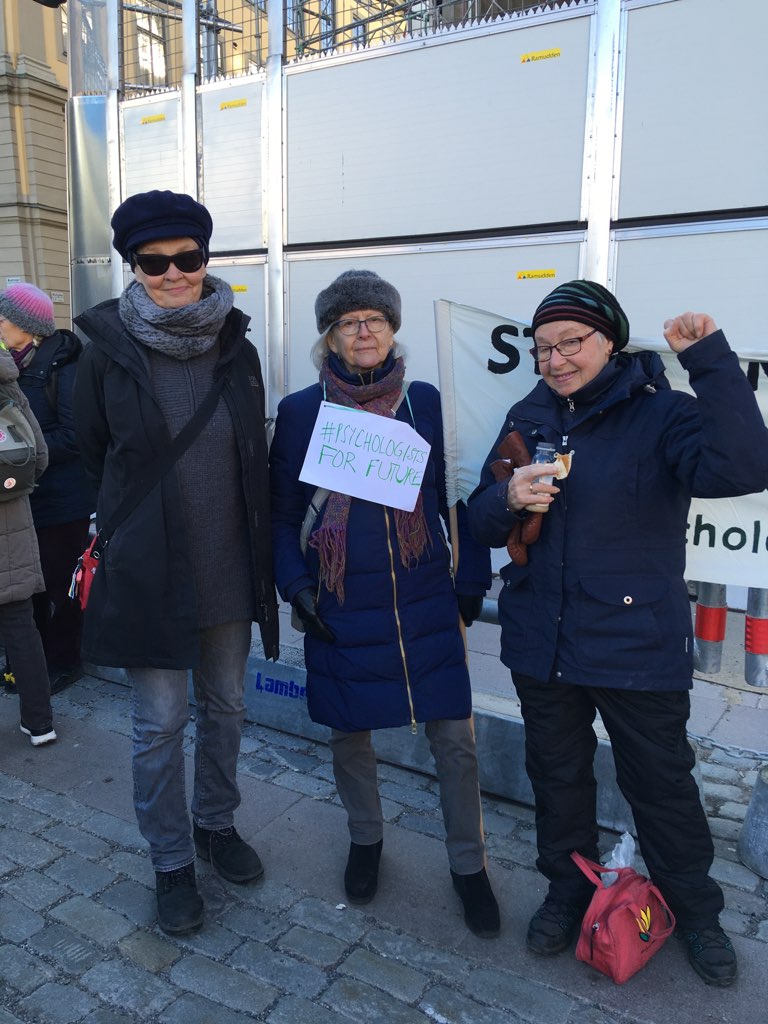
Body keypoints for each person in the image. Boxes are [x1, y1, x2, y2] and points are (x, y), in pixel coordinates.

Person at [468, 279, 768, 986]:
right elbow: (481, 518)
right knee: (558, 777)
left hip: (637, 645)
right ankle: (568, 889)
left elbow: (747, 465)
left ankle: (695, 912)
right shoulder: (528, 412)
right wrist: (505, 497)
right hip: (543, 639)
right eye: (543, 347)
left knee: (661, 786)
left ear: (611, 341)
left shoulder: (663, 414)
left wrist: (712, 363)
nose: (555, 359)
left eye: (571, 343)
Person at [73, 190, 280, 936]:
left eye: (186, 258)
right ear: (134, 266)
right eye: (154, 262)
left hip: (230, 566)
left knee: (225, 707)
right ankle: (169, 861)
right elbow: (95, 453)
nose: (172, 273)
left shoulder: (241, 348)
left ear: (205, 259)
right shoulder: (104, 355)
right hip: (153, 572)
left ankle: (215, 825)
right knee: (158, 724)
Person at [269, 269, 500, 938]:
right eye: (348, 322)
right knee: (350, 736)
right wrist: (296, 585)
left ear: (393, 330)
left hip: (426, 599)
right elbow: (282, 514)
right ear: (330, 338)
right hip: (342, 599)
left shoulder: (427, 401)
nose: (363, 331)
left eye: (375, 319)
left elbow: (463, 492)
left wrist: (470, 582)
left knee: (455, 740)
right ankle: (366, 840)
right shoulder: (304, 412)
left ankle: (469, 865)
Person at [0, 283, 94, 694]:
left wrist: (21, 455)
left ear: (26, 325)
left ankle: (65, 661)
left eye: (2, 318)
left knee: (60, 584)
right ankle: (29, 664)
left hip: (62, 499)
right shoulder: (12, 364)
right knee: (28, 588)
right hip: (24, 496)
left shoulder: (64, 366)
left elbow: (75, 436)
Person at [0, 342, 54, 745]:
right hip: (11, 520)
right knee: (21, 623)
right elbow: (39, 455)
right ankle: (41, 724)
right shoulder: (9, 383)